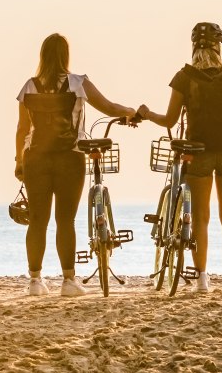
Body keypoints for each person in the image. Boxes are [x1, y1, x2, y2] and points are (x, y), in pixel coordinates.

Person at [15, 33, 136, 298]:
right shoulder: (78, 83)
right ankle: (68, 281)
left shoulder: (30, 86)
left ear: (43, 55)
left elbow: (22, 129)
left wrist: (19, 162)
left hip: (36, 158)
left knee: (38, 220)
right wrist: (130, 111)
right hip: (70, 157)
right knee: (65, 220)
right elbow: (108, 107)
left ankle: (35, 281)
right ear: (65, 55)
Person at [138, 22, 222, 294]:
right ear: (219, 47)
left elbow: (170, 119)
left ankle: (202, 279)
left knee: (200, 218)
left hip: (197, 154)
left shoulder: (184, 77)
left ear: (193, 47)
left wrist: (147, 113)